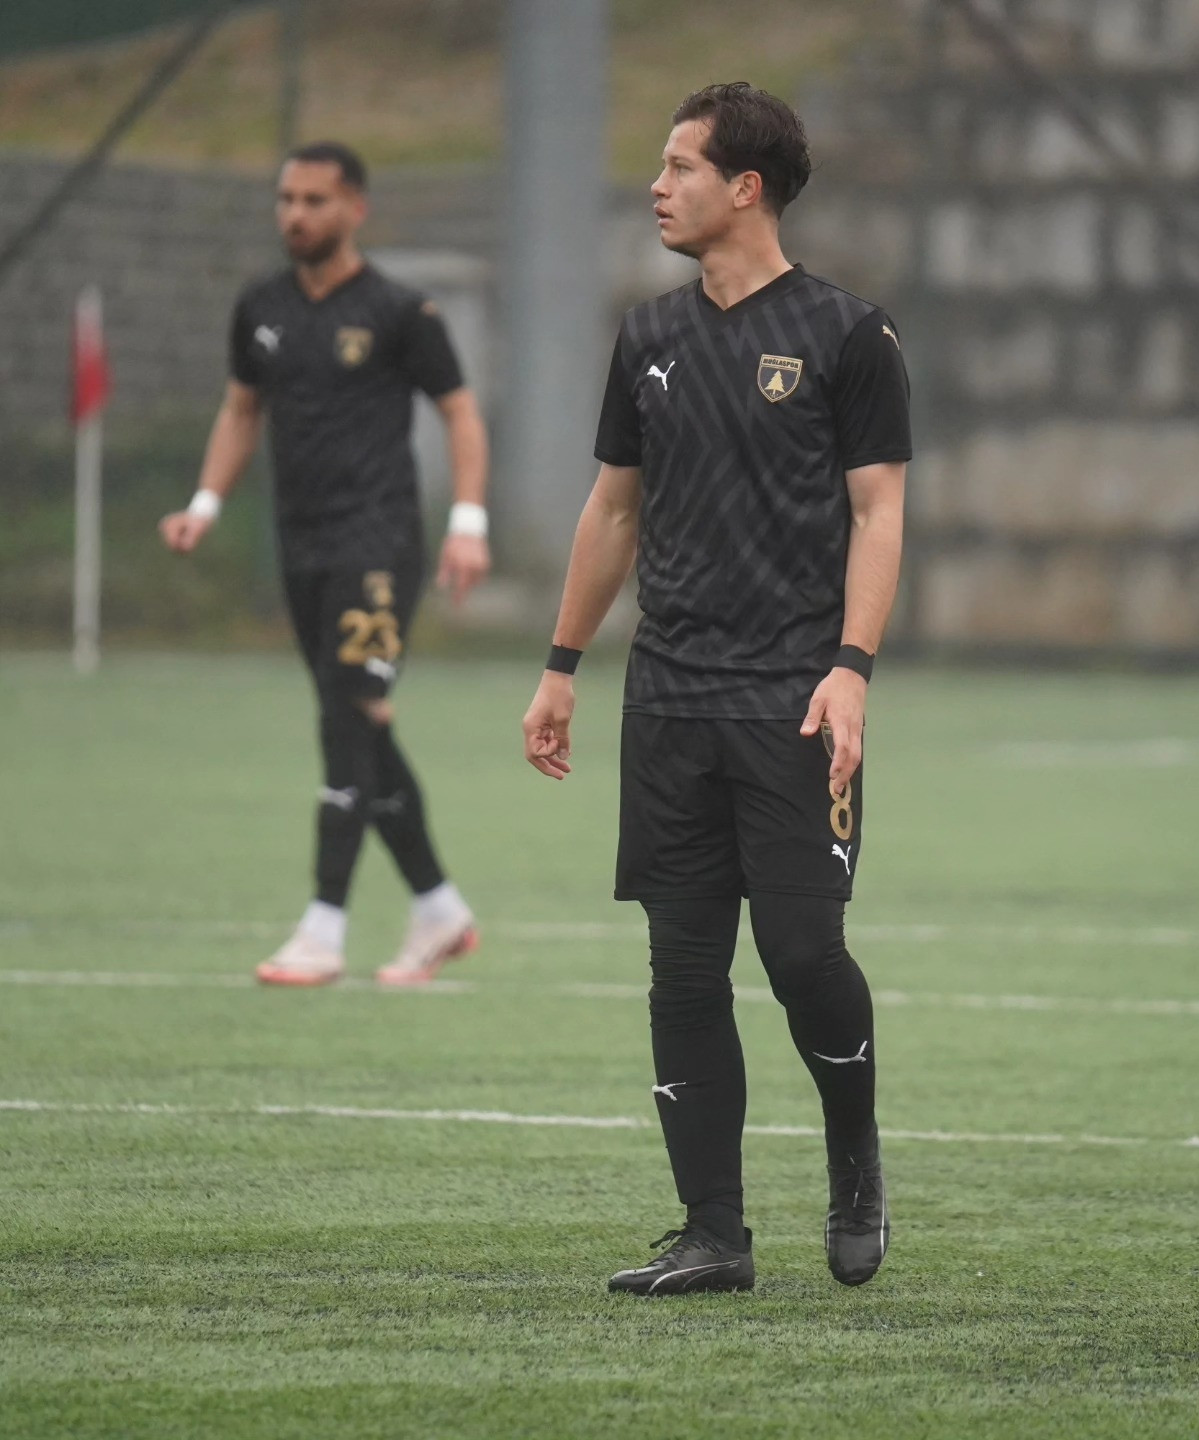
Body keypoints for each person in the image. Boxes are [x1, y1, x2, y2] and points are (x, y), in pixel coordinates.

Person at [522, 84, 910, 1294]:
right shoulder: (646, 337)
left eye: (681, 166)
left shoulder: (849, 335)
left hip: (794, 700)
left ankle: (855, 1159)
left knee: (801, 955)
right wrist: (561, 666)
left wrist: (851, 669)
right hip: (670, 701)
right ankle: (713, 1235)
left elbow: (879, 512)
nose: (658, 186)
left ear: (746, 188)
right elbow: (613, 511)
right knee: (683, 972)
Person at [160, 140, 490, 988]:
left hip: (378, 543)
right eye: (287, 199)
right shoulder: (261, 306)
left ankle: (324, 926)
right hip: (301, 545)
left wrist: (467, 522)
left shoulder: (399, 310)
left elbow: (459, 414)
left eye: (314, 200)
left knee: (350, 712)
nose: (295, 215)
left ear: (355, 209)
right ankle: (439, 907)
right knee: (358, 722)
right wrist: (204, 504)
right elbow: (242, 410)